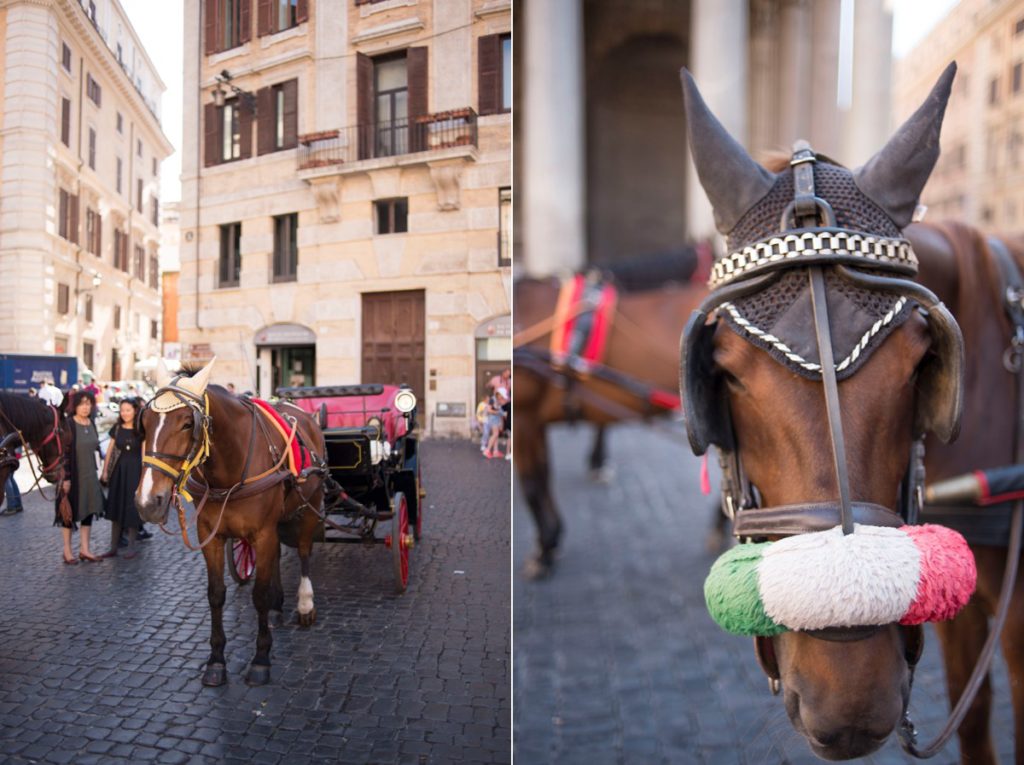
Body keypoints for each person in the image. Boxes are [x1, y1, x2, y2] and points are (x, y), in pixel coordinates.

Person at [55, 390, 105, 564]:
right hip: (72, 477)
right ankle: (67, 551)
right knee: (68, 513)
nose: (85, 407)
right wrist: (65, 478)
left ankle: (85, 549)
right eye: (82, 404)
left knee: (88, 512)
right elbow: (63, 454)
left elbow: (96, 450)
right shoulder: (68, 424)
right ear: (74, 406)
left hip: (90, 476)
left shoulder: (91, 423)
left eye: (88, 403)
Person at [101, 399, 143, 558]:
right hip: (119, 471)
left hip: (135, 471)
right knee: (116, 506)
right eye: (122, 410)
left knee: (132, 508)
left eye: (128, 410)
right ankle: (113, 547)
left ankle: (132, 546)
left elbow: (145, 454)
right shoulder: (117, 428)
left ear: (135, 411)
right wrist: (105, 471)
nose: (125, 413)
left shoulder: (141, 430)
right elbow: (110, 451)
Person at [483, 390, 506, 459]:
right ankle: (487, 450)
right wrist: (498, 412)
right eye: (501, 395)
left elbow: (500, 410)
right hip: (493, 419)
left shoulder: (499, 400)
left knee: (496, 434)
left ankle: (495, 451)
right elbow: (489, 410)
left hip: (497, 419)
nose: (502, 397)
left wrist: (501, 422)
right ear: (498, 394)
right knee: (495, 434)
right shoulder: (492, 399)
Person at [1, 448, 24, 516]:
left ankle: (11, 507)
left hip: (5, 457)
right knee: (10, 478)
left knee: (6, 480)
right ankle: (17, 505)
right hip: (10, 455)